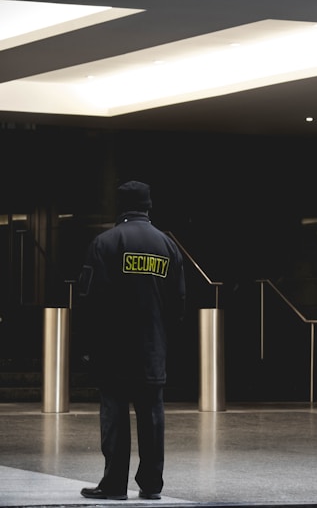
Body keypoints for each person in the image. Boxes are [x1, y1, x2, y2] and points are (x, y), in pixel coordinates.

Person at [77, 180, 186, 500]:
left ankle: (114, 485)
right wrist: (162, 340)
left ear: (120, 206)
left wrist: (88, 347)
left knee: (115, 416)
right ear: (149, 205)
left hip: (113, 350)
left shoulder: (105, 242)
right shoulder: (168, 246)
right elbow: (178, 304)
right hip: (153, 347)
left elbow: (90, 300)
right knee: (153, 416)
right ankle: (151, 485)